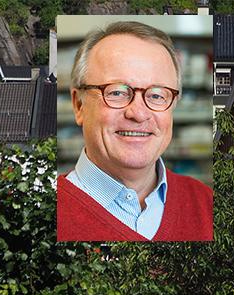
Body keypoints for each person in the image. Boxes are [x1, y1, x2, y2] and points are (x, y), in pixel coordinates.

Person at [59, 21, 213, 242]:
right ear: (79, 105)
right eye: (117, 92)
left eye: (157, 95)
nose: (138, 113)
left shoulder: (206, 201)